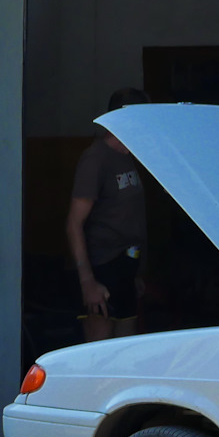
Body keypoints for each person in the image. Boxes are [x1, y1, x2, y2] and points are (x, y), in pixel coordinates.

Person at [67, 87, 150, 343]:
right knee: (100, 355)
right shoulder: (96, 159)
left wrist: (135, 273)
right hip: (101, 268)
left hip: (126, 266)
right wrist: (88, 283)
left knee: (126, 353)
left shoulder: (127, 157)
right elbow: (73, 225)